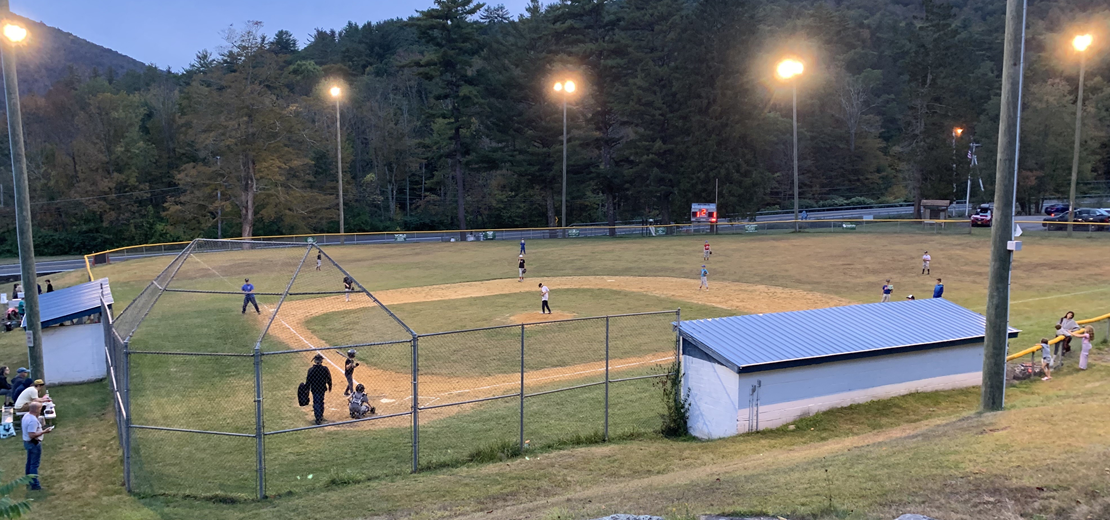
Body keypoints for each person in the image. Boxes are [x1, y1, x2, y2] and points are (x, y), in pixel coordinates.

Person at [22, 401, 51, 491]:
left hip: (27, 442)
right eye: (40, 408)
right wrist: (44, 431)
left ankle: (28, 480)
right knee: (34, 465)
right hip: (33, 443)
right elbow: (32, 434)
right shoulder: (33, 420)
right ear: (37, 409)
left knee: (29, 463)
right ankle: (35, 485)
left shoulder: (27, 415)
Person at [305, 354, 332, 424]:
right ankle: (321, 415)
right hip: (322, 388)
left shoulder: (311, 370)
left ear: (314, 361)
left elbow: (308, 381)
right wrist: (330, 386)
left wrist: (307, 390)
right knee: (321, 401)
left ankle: (318, 418)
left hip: (314, 389)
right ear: (321, 361)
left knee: (316, 402)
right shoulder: (325, 369)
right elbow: (329, 378)